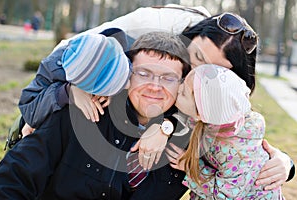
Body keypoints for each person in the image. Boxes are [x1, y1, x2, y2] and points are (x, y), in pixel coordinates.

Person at [17, 5, 294, 189]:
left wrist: (284, 163)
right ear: (190, 37)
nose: (195, 75)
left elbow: (240, 139)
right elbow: (71, 54)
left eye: (210, 72)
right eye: (195, 58)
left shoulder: (214, 95)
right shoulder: (147, 35)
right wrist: (69, 89)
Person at [0, 32, 192, 199]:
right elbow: (13, 178)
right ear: (127, 74)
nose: (155, 86)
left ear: (181, 84)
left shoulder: (183, 152)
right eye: (144, 73)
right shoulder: (80, 114)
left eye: (168, 78)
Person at [168, 63, 283, 199]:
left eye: (183, 93)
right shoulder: (217, 121)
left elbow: (227, 195)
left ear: (201, 113)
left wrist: (192, 169)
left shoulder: (235, 151)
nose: (178, 88)